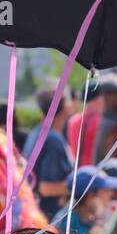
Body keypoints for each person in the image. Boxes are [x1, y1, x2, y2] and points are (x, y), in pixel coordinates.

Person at [22, 85, 75, 219]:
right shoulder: (52, 139)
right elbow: (47, 188)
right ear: (65, 107)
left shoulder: (36, 132)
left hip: (34, 211)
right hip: (49, 217)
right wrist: (81, 187)